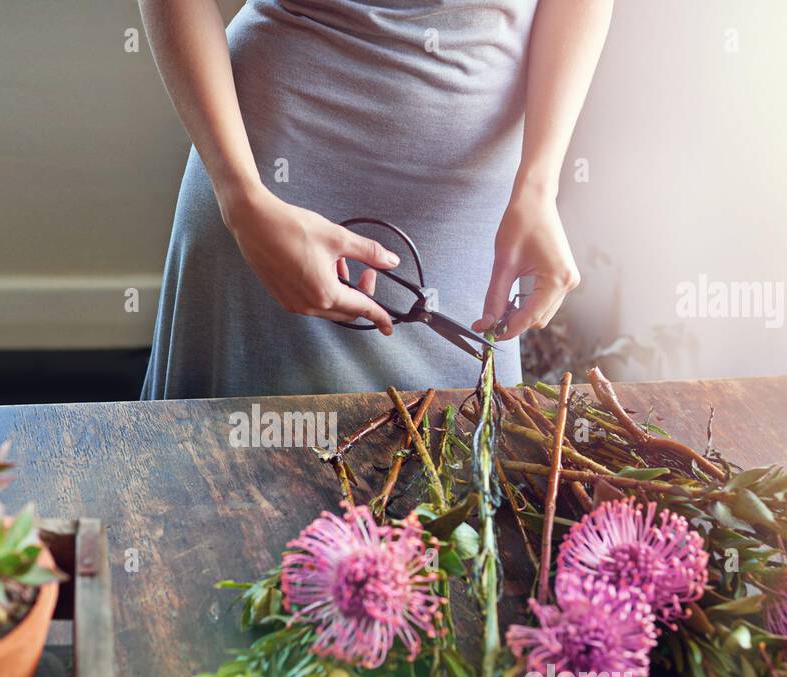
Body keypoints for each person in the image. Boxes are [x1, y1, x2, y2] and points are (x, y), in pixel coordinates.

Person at [139, 0, 613, 400]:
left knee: (468, 480)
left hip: (476, 219)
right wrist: (242, 200)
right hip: (268, 195)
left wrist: (539, 184)